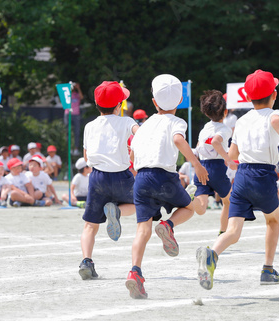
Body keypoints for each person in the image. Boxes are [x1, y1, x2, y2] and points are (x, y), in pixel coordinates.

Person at [196, 69, 279, 291]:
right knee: (273, 221)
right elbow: (278, 120)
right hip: (263, 175)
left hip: (242, 177)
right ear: (274, 95)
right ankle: (268, 269)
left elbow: (232, 156)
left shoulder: (240, 121)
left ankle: (212, 254)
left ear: (248, 98)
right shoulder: (274, 115)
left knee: (233, 231)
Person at [129, 74, 208, 299]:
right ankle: (168, 225)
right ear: (180, 101)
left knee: (141, 230)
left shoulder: (143, 126)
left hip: (141, 179)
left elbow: (132, 154)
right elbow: (177, 140)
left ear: (154, 102)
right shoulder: (177, 122)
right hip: (164, 177)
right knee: (188, 208)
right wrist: (196, 165)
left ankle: (135, 272)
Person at [79, 81, 139, 281]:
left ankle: (86, 261)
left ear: (97, 105)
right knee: (141, 204)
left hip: (97, 177)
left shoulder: (89, 126)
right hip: (122, 175)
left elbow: (87, 156)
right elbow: (139, 136)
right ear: (119, 105)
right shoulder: (127, 121)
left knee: (90, 225)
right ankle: (118, 211)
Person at [192, 89, 237, 235]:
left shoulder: (205, 127)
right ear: (225, 112)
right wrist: (228, 159)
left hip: (201, 166)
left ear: (206, 113)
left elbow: (199, 147)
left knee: (202, 207)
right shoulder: (225, 129)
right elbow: (217, 141)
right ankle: (223, 232)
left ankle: (188, 198)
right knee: (228, 201)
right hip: (216, 168)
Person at [65, 82, 84, 155]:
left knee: (77, 131)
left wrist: (78, 88)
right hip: (68, 114)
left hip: (76, 114)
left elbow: (81, 97)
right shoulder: (67, 94)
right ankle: (69, 148)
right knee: (68, 131)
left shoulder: (77, 94)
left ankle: (76, 148)